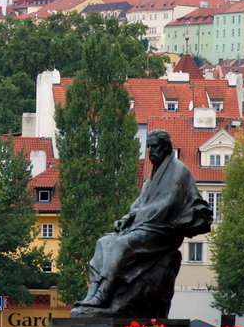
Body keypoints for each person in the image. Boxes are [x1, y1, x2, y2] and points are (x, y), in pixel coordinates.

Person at [74, 129, 213, 310]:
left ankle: (104, 294)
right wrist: (127, 218)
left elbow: (166, 204)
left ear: (165, 147)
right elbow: (140, 202)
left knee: (121, 245)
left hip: (163, 230)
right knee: (103, 242)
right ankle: (93, 292)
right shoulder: (154, 174)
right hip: (145, 226)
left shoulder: (178, 171)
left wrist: (138, 219)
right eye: (148, 147)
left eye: (154, 147)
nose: (150, 151)